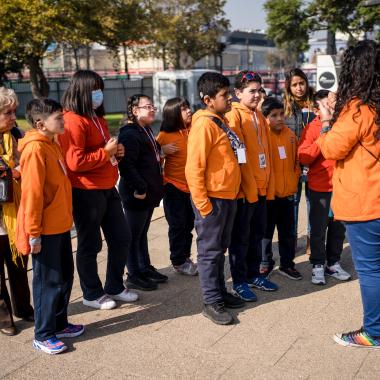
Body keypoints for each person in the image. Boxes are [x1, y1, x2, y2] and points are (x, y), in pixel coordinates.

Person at [316, 40, 380, 348]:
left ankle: (374, 332)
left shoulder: (358, 109)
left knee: (369, 270)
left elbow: (331, 149)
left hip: (366, 202)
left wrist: (327, 120)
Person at [59, 70, 138, 310]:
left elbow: (103, 151)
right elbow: (75, 161)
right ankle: (91, 292)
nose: (99, 94)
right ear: (82, 91)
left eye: (100, 88)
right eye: (95, 89)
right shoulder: (72, 120)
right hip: (86, 190)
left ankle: (114, 285)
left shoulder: (96, 117)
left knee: (121, 237)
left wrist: (116, 151)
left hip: (106, 186)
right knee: (90, 243)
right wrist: (106, 153)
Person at [16, 98, 84, 354]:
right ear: (40, 123)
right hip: (44, 228)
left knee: (65, 276)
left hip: (59, 224)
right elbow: (32, 195)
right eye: (59, 118)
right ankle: (43, 334)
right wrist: (34, 233)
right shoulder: (36, 149)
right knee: (48, 281)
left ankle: (59, 323)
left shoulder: (51, 144)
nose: (63, 121)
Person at [185, 72, 245, 325]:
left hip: (227, 197)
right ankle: (211, 302)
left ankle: (220, 293)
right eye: (224, 95)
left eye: (229, 93)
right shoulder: (204, 125)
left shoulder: (219, 121)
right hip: (212, 200)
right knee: (209, 253)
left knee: (220, 249)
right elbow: (193, 168)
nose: (230, 98)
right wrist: (203, 205)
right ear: (208, 99)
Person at [226, 70, 277, 303]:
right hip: (247, 191)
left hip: (262, 188)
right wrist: (249, 188)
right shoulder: (234, 116)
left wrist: (268, 184)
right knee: (241, 239)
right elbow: (239, 156)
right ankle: (239, 281)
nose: (257, 95)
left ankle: (254, 274)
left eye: (259, 90)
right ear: (238, 93)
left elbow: (265, 153)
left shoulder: (258, 116)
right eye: (251, 91)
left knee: (258, 234)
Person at [299, 90, 350, 285]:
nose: (332, 106)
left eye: (334, 101)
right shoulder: (312, 128)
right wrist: (323, 134)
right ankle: (318, 264)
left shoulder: (344, 125)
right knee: (319, 229)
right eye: (326, 103)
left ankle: (334, 263)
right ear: (316, 109)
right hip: (319, 187)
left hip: (340, 186)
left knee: (338, 229)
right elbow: (304, 157)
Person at [118, 94, 167, 291]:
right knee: (133, 235)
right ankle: (134, 274)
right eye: (147, 107)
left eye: (153, 106)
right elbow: (127, 166)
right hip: (136, 194)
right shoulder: (130, 133)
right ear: (135, 111)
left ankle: (144, 267)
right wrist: (140, 187)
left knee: (142, 233)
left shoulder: (144, 129)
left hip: (147, 193)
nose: (152, 109)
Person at [0, 87, 33, 337]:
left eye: (13, 111)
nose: (13, 116)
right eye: (6, 112)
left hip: (17, 213)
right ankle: (4, 317)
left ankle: (23, 307)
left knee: (19, 263)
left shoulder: (18, 135)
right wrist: (12, 172)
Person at [261, 97, 302, 280]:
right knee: (266, 233)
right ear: (265, 118)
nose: (279, 119)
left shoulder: (291, 136)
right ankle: (265, 263)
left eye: (281, 115)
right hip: (269, 196)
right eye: (273, 115)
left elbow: (296, 163)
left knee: (288, 233)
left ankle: (287, 264)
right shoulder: (262, 137)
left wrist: (294, 182)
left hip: (287, 195)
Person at [156, 97, 197, 276]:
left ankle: (185, 256)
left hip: (192, 187)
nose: (189, 111)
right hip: (173, 187)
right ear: (173, 114)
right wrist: (162, 151)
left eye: (188, 107)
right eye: (183, 109)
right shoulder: (164, 135)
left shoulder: (194, 130)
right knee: (177, 225)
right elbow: (153, 160)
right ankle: (178, 260)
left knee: (189, 224)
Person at [284, 68, 315, 252]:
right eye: (294, 85)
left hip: (313, 159)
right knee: (293, 202)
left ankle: (312, 240)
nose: (299, 88)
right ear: (288, 87)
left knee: (313, 202)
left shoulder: (316, 103)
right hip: (292, 162)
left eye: (301, 83)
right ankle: (292, 241)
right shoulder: (285, 106)